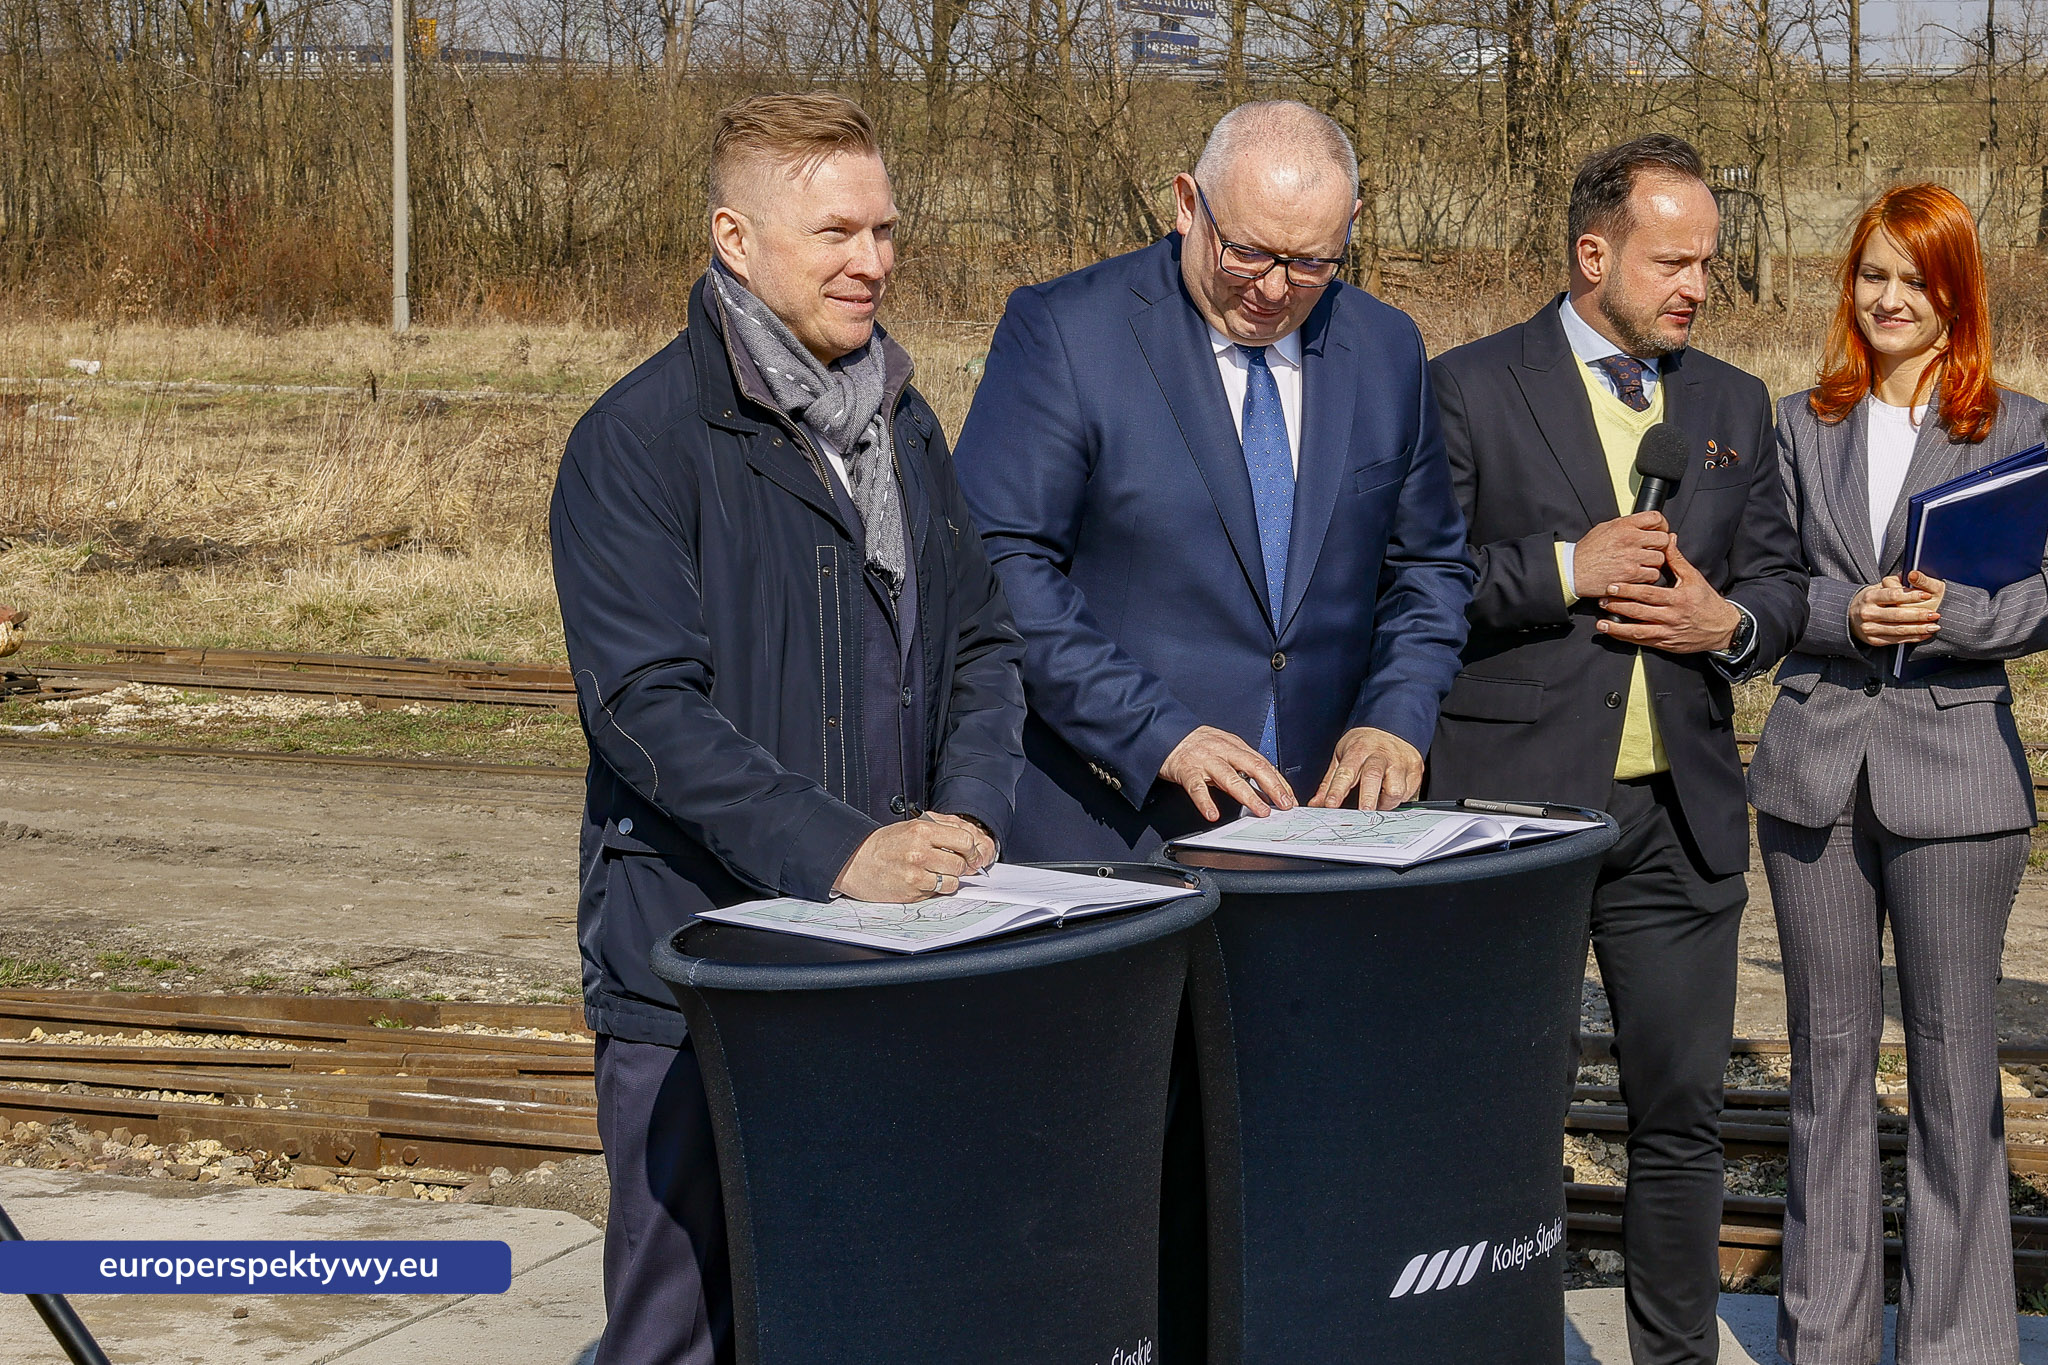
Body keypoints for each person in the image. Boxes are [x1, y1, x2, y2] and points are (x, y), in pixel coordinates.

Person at [549, 92, 1025, 1365]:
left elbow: (982, 642)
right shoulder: (637, 443)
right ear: (734, 239)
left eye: (884, 229)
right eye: (835, 233)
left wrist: (972, 811)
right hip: (704, 968)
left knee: (866, 1314)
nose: (872, 260)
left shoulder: (903, 421)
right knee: (679, 1332)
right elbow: (645, 708)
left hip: (895, 958)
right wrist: (837, 852)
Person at [1424, 135, 1807, 1365]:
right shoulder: (1466, 385)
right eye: (1670, 261)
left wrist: (1726, 625)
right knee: (1499, 1119)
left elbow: (1781, 584)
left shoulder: (1732, 403)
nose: (1696, 285)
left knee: (1680, 1119)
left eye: (1706, 262)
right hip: (1512, 816)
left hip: (1677, 821)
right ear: (1592, 255)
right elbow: (1415, 583)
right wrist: (1561, 569)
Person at [952, 100, 1473, 862]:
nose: (1275, 288)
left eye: (1311, 263)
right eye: (1247, 253)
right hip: (1114, 831)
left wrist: (1396, 716)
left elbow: (1429, 567)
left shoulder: (1386, 348)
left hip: (1324, 835)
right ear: (1187, 204)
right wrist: (1156, 730)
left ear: (1352, 226)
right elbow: (998, 563)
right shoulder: (1066, 333)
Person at [1746, 183, 2047, 1364]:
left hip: (1956, 777)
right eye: (1871, 274)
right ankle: (1821, 1342)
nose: (1887, 299)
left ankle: (1955, 1343)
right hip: (1812, 772)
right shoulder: (1794, 422)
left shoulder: (2017, 428)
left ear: (1955, 292)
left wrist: (1955, 616)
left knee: (1953, 1070)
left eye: (1914, 280)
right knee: (1824, 1071)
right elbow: (1768, 582)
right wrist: (1844, 611)